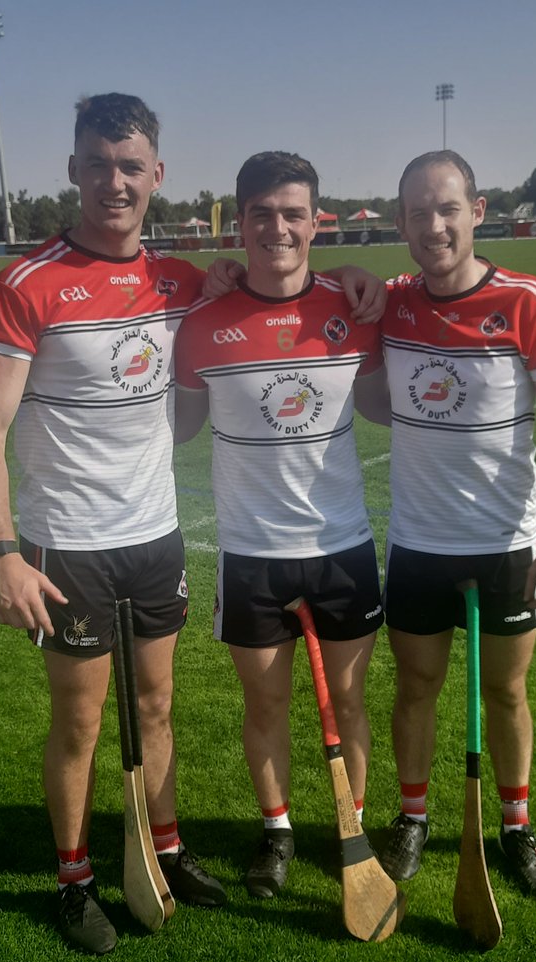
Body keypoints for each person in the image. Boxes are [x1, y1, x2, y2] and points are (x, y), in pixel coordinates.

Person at [0, 93, 234, 955]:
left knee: (156, 705)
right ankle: (74, 877)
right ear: (74, 170)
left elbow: (281, 288)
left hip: (156, 536)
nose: (113, 182)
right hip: (66, 544)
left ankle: (167, 847)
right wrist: (2, 553)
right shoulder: (25, 285)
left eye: (130, 166)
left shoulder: (183, 283)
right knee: (80, 722)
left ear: (157, 174)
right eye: (97, 164)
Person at [369, 150, 536, 899]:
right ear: (399, 222)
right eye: (419, 213)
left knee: (506, 693)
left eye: (448, 209)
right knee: (417, 686)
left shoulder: (529, 301)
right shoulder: (392, 301)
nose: (434, 227)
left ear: (477, 210)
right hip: (418, 545)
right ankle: (412, 816)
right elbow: (310, 290)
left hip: (506, 548)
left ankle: (516, 827)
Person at [173, 151, 386, 901]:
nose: (277, 228)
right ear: (239, 221)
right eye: (261, 214)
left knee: (352, 703)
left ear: (317, 220)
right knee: (264, 705)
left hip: (343, 548)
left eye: (293, 213)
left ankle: (350, 826)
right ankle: (277, 833)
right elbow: (175, 427)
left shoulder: (356, 308)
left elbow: (398, 391)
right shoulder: (202, 322)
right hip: (251, 556)